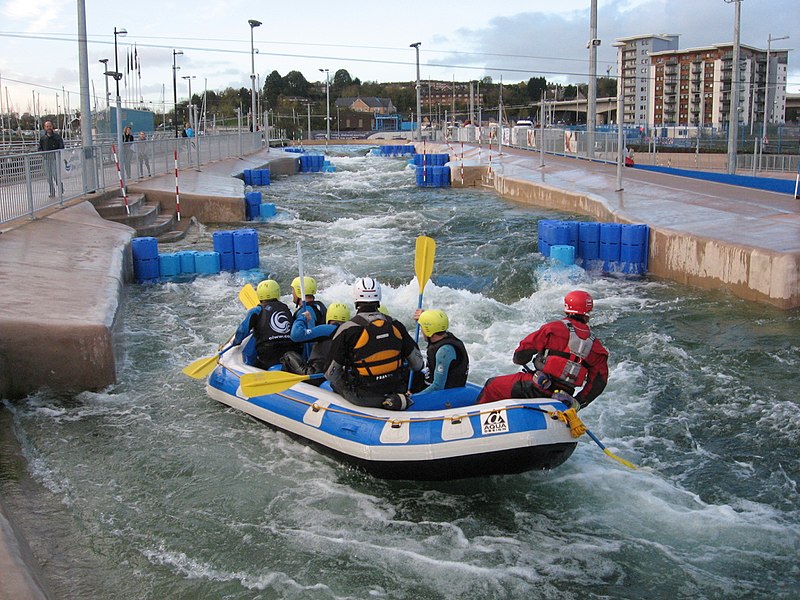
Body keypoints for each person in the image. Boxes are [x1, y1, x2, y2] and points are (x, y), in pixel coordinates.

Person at [476, 290, 609, 410]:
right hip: (563, 399)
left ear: (567, 308)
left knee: (492, 385)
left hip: (536, 387)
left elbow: (521, 355)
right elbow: (599, 383)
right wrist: (578, 402)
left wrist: (524, 359)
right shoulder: (597, 347)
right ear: (588, 313)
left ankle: (474, 423)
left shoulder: (553, 328)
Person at [325, 277, 423, 410]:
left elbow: (330, 374)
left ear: (356, 299)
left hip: (363, 395)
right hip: (396, 390)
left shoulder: (347, 330)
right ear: (379, 299)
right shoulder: (396, 325)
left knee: (334, 383)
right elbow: (418, 365)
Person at [231, 279, 301, 370]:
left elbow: (242, 331)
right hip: (291, 351)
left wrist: (235, 342)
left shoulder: (256, 311)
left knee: (254, 364)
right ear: (277, 293)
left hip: (268, 354)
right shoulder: (285, 308)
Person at [281, 302, 351, 378]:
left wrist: (303, 318)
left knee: (288, 355)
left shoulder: (326, 329)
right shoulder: (349, 332)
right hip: (337, 374)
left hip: (316, 374)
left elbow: (295, 335)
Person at [411, 309, 469, 396]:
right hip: (431, 382)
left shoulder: (444, 352)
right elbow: (435, 324)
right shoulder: (444, 336)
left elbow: (438, 386)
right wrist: (424, 317)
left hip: (445, 394)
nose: (421, 331)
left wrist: (412, 398)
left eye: (422, 327)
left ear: (428, 330)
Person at [37, 120, 64, 197]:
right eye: (47, 126)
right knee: (49, 177)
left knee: (55, 176)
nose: (49, 128)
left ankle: (60, 188)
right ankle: (52, 192)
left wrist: (57, 153)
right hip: (46, 159)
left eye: (50, 126)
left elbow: (61, 146)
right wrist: (42, 153)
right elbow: (40, 148)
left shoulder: (57, 137)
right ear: (45, 127)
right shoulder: (43, 138)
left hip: (55, 159)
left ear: (52, 127)